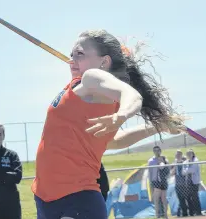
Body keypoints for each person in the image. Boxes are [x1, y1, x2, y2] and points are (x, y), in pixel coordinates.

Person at [31, 29, 184, 219]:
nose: (72, 60)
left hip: (77, 198)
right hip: (46, 199)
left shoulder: (91, 77)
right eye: (72, 55)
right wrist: (157, 126)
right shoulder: (83, 92)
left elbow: (132, 95)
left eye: (80, 54)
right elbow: (114, 141)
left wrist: (121, 116)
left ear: (104, 62)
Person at [149, 146, 170, 219]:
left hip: (163, 181)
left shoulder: (164, 159)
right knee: (156, 199)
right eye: (155, 150)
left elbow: (166, 169)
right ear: (153, 151)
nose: (157, 152)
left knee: (164, 199)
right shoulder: (151, 161)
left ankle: (165, 215)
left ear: (160, 151)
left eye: (158, 150)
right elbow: (150, 172)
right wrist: (151, 182)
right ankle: (157, 215)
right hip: (156, 181)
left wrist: (162, 162)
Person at [183, 149, 202, 216]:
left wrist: (187, 170)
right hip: (188, 181)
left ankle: (198, 212)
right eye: (187, 153)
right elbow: (183, 172)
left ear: (193, 154)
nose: (188, 155)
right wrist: (187, 170)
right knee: (188, 197)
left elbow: (193, 170)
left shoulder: (195, 160)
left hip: (194, 181)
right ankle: (191, 212)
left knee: (195, 197)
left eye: (190, 153)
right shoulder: (185, 162)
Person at [172, 150, 188, 217]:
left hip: (184, 184)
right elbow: (172, 173)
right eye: (177, 154)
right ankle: (181, 213)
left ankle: (183, 213)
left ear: (181, 155)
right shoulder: (174, 164)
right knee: (180, 199)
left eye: (179, 154)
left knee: (184, 199)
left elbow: (185, 173)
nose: (178, 156)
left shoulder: (184, 163)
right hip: (177, 184)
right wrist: (175, 166)